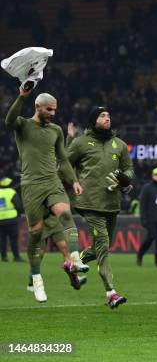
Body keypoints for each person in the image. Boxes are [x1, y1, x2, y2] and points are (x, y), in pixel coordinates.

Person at [4, 87, 88, 302]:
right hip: (31, 185)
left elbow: (63, 159)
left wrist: (74, 181)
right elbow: (8, 119)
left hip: (52, 181)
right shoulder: (23, 125)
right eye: (49, 109)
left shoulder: (56, 130)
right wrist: (22, 96)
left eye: (55, 110)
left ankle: (76, 259)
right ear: (37, 107)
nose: (52, 113)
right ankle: (36, 279)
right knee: (35, 234)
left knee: (66, 214)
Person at [66, 107, 133, 309]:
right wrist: (69, 141)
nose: (107, 118)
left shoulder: (119, 145)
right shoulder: (81, 143)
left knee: (101, 246)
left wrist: (124, 179)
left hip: (112, 203)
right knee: (103, 244)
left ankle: (74, 264)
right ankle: (111, 292)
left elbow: (129, 169)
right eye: (102, 116)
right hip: (89, 202)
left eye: (108, 116)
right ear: (93, 120)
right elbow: (65, 165)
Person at [0, 177, 24, 262]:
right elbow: (18, 205)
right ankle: (16, 257)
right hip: (12, 220)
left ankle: (4, 257)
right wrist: (20, 213)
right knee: (13, 239)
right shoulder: (11, 192)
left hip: (1, 221)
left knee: (2, 240)